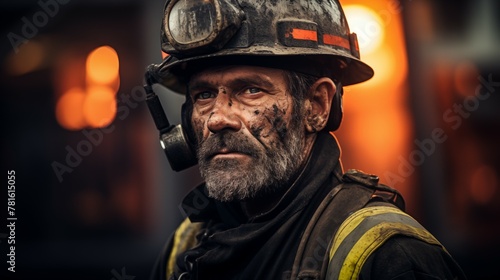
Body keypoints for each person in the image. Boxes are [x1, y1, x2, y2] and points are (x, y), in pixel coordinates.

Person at [145, 0, 467, 279]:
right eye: (204, 95)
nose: (217, 119)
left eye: (250, 90)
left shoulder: (389, 257)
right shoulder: (185, 247)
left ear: (317, 106)